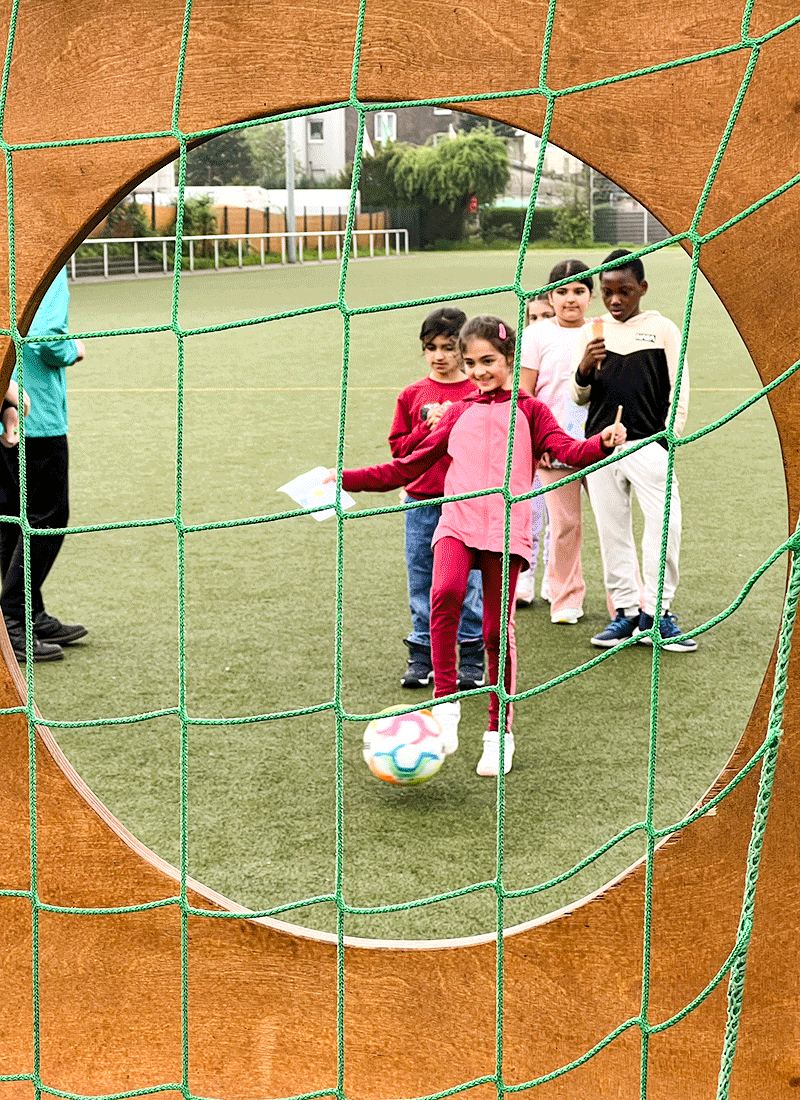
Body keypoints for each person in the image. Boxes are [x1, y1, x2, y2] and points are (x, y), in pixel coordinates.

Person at [327, 316, 626, 776]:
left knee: (493, 630)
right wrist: (341, 478)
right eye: (471, 363)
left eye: (487, 361)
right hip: (458, 522)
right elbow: (404, 468)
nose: (479, 371)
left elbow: (567, 450)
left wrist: (602, 443)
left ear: (509, 359)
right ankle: (445, 708)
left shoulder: (531, 411)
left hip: (505, 532)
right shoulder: (459, 412)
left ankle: (498, 733)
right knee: (443, 593)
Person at [570, 248, 696, 652]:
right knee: (612, 531)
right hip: (600, 449)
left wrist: (668, 438)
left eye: (624, 291)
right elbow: (578, 397)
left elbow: (680, 386)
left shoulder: (663, 330)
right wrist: (585, 367)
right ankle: (624, 614)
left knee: (665, 526)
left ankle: (657, 613)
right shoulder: (593, 331)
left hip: (649, 445)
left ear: (642, 288)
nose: (616, 300)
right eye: (607, 292)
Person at [388, 307, 485, 690]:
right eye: (431, 348)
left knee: (468, 582)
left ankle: (471, 655)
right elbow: (399, 452)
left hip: (465, 502)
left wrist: (454, 424)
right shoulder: (412, 395)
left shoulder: (476, 393)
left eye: (448, 347)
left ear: (463, 348)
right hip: (420, 502)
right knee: (422, 578)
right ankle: (422, 653)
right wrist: (428, 428)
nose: (439, 356)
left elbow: (484, 449)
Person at [0, 267, 87, 662]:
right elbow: (47, 338)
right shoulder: (49, 268)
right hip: (37, 415)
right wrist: (75, 349)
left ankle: (27, 616)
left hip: (7, 409)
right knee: (48, 516)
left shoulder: (12, 258)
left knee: (14, 516)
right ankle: (15, 620)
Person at [519, 259, 594, 626]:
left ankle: (625, 604)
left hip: (600, 446)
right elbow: (525, 394)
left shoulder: (603, 331)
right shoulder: (536, 336)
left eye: (579, 291)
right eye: (562, 292)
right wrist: (537, 443)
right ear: (551, 295)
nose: (570, 299)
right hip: (554, 449)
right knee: (565, 524)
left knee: (616, 524)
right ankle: (565, 598)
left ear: (590, 296)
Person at [514, 293, 553, 609]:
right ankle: (524, 578)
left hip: (565, 441)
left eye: (545, 316)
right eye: (533, 317)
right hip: (533, 445)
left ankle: (555, 580)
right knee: (530, 513)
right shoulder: (524, 351)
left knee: (562, 521)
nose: (538, 323)